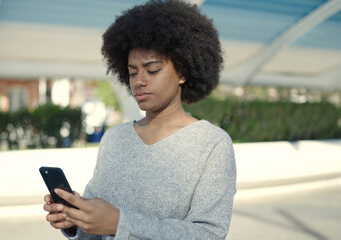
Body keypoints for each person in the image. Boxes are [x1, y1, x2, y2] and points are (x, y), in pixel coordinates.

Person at [43, 0, 236, 239]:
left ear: (184, 72)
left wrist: (120, 224)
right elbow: (95, 230)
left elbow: (209, 234)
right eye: (132, 72)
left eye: (152, 70)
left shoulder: (212, 144)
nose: (139, 81)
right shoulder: (114, 139)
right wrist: (75, 221)